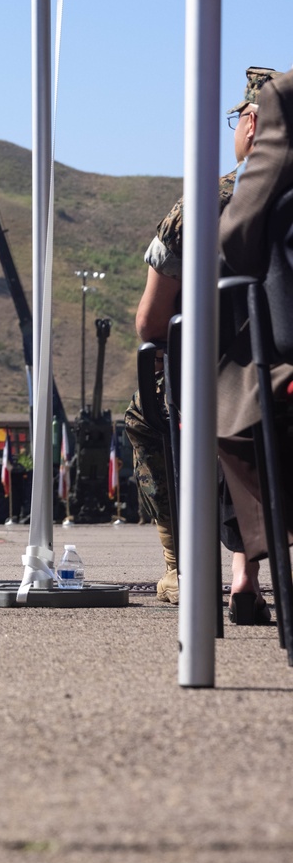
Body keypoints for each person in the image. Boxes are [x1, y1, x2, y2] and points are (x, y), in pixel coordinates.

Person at [123, 66, 276, 606]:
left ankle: (184, 567)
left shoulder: (202, 207)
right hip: (284, 385)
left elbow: (149, 323)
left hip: (220, 394)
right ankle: (245, 572)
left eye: (239, 118)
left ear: (254, 125)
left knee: (149, 417)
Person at [218, 64, 293, 620]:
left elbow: (234, 248)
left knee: (227, 396)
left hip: (277, 355)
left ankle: (244, 574)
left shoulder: (283, 103)